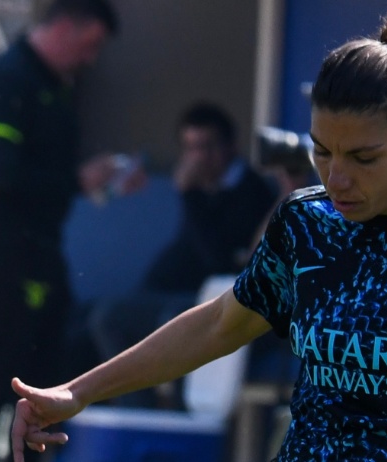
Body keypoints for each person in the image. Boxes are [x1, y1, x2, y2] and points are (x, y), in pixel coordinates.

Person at [9, 7, 387, 462]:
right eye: (322, 151)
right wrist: (77, 392)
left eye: (363, 158)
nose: (336, 177)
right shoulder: (305, 225)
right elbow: (218, 325)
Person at [0, 1, 141, 460]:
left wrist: (105, 182)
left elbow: (50, 170)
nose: (90, 58)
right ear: (63, 27)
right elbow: (1, 175)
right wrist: (78, 181)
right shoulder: (8, 80)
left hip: (43, 248)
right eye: (89, 44)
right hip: (3, 249)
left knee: (47, 369)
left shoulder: (57, 86)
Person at [87, 101, 278, 408]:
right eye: (191, 148)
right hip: (182, 296)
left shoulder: (251, 191)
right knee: (104, 317)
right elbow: (182, 257)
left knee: (175, 322)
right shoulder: (202, 190)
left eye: (207, 147)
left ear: (230, 146)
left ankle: (180, 421)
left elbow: (219, 261)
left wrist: (190, 195)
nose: (199, 158)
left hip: (227, 308)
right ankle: (139, 418)